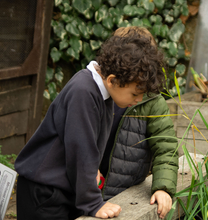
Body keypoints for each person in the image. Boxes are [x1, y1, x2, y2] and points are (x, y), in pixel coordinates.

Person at [14, 26, 178, 220]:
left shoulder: (105, 94)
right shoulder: (84, 92)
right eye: (135, 94)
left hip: (65, 190)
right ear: (112, 80)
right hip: (43, 192)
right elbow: (81, 149)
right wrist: (93, 203)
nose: (138, 99)